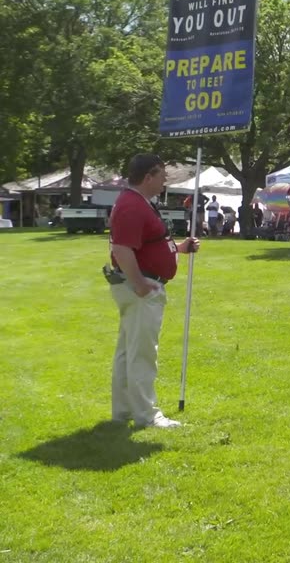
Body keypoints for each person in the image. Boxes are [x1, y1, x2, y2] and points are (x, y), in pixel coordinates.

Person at [106, 154, 199, 429]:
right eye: (161, 175)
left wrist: (178, 248)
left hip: (140, 284)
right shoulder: (131, 205)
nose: (165, 181)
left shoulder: (138, 203)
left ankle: (123, 411)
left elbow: (148, 243)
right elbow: (121, 248)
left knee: (128, 352)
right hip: (141, 287)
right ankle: (147, 415)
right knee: (143, 353)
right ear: (148, 176)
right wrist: (139, 283)